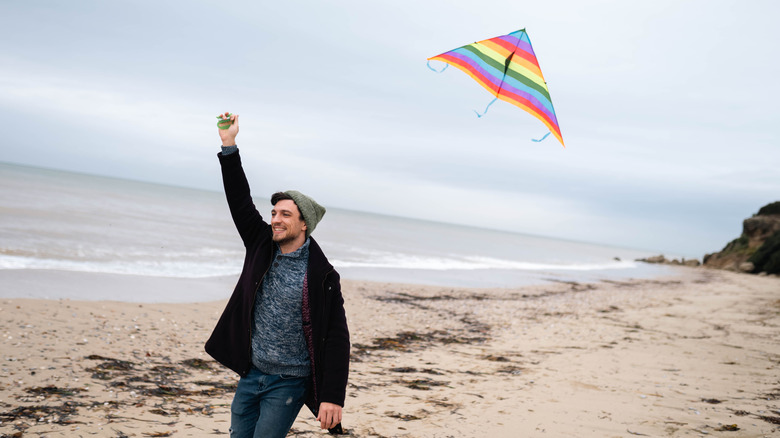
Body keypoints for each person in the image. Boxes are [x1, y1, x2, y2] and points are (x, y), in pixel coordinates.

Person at [205, 113, 350, 437]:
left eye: (286, 214)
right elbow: (239, 200)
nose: (275, 219)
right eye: (273, 213)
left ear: (304, 224)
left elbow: (337, 338)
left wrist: (332, 397)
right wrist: (229, 145)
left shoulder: (323, 275)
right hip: (251, 373)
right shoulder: (260, 245)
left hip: (289, 383)